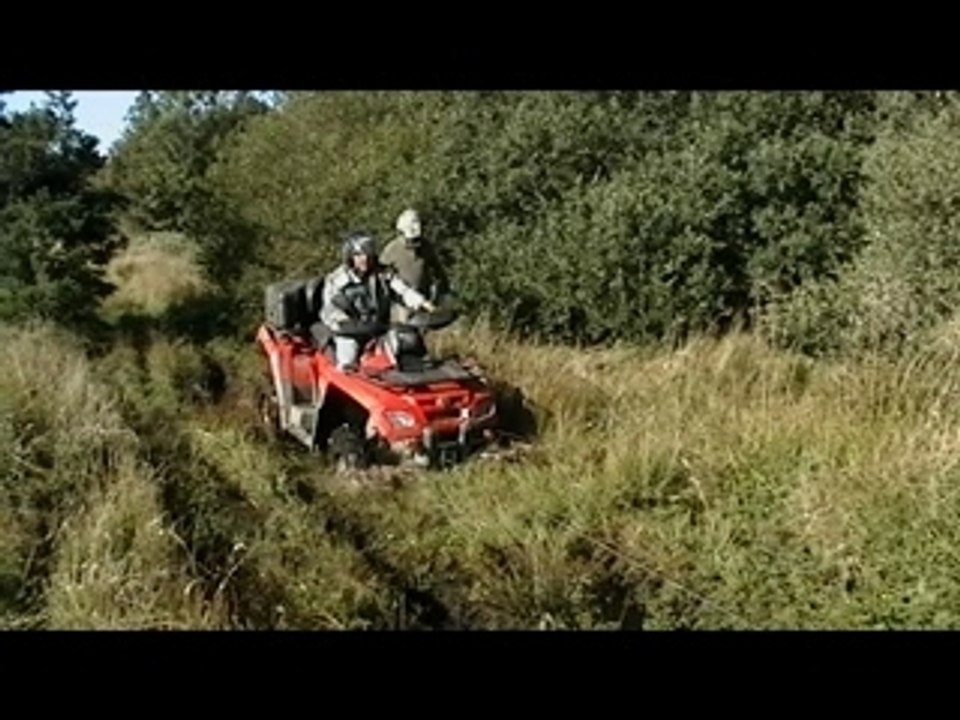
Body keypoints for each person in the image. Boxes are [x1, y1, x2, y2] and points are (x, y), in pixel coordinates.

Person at [320, 232, 435, 370]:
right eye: (359, 255)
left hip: (380, 328)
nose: (365, 259)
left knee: (409, 342)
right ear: (350, 257)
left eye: (368, 254)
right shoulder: (336, 281)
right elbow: (330, 311)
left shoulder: (383, 274)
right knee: (347, 361)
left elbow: (403, 290)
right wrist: (347, 324)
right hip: (350, 333)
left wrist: (423, 303)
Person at [380, 208, 449, 323]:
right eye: (411, 240)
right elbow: (381, 273)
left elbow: (437, 269)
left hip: (424, 300)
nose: (414, 243)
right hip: (401, 304)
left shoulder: (426, 246)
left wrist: (444, 290)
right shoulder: (392, 249)